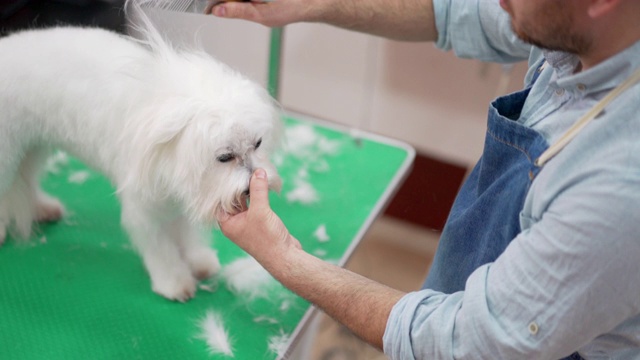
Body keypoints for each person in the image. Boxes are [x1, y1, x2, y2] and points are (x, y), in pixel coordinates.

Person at [215, 0, 640, 358]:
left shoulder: (619, 182)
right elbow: (461, 12)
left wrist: (284, 257)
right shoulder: (588, 32)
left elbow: (467, 341)